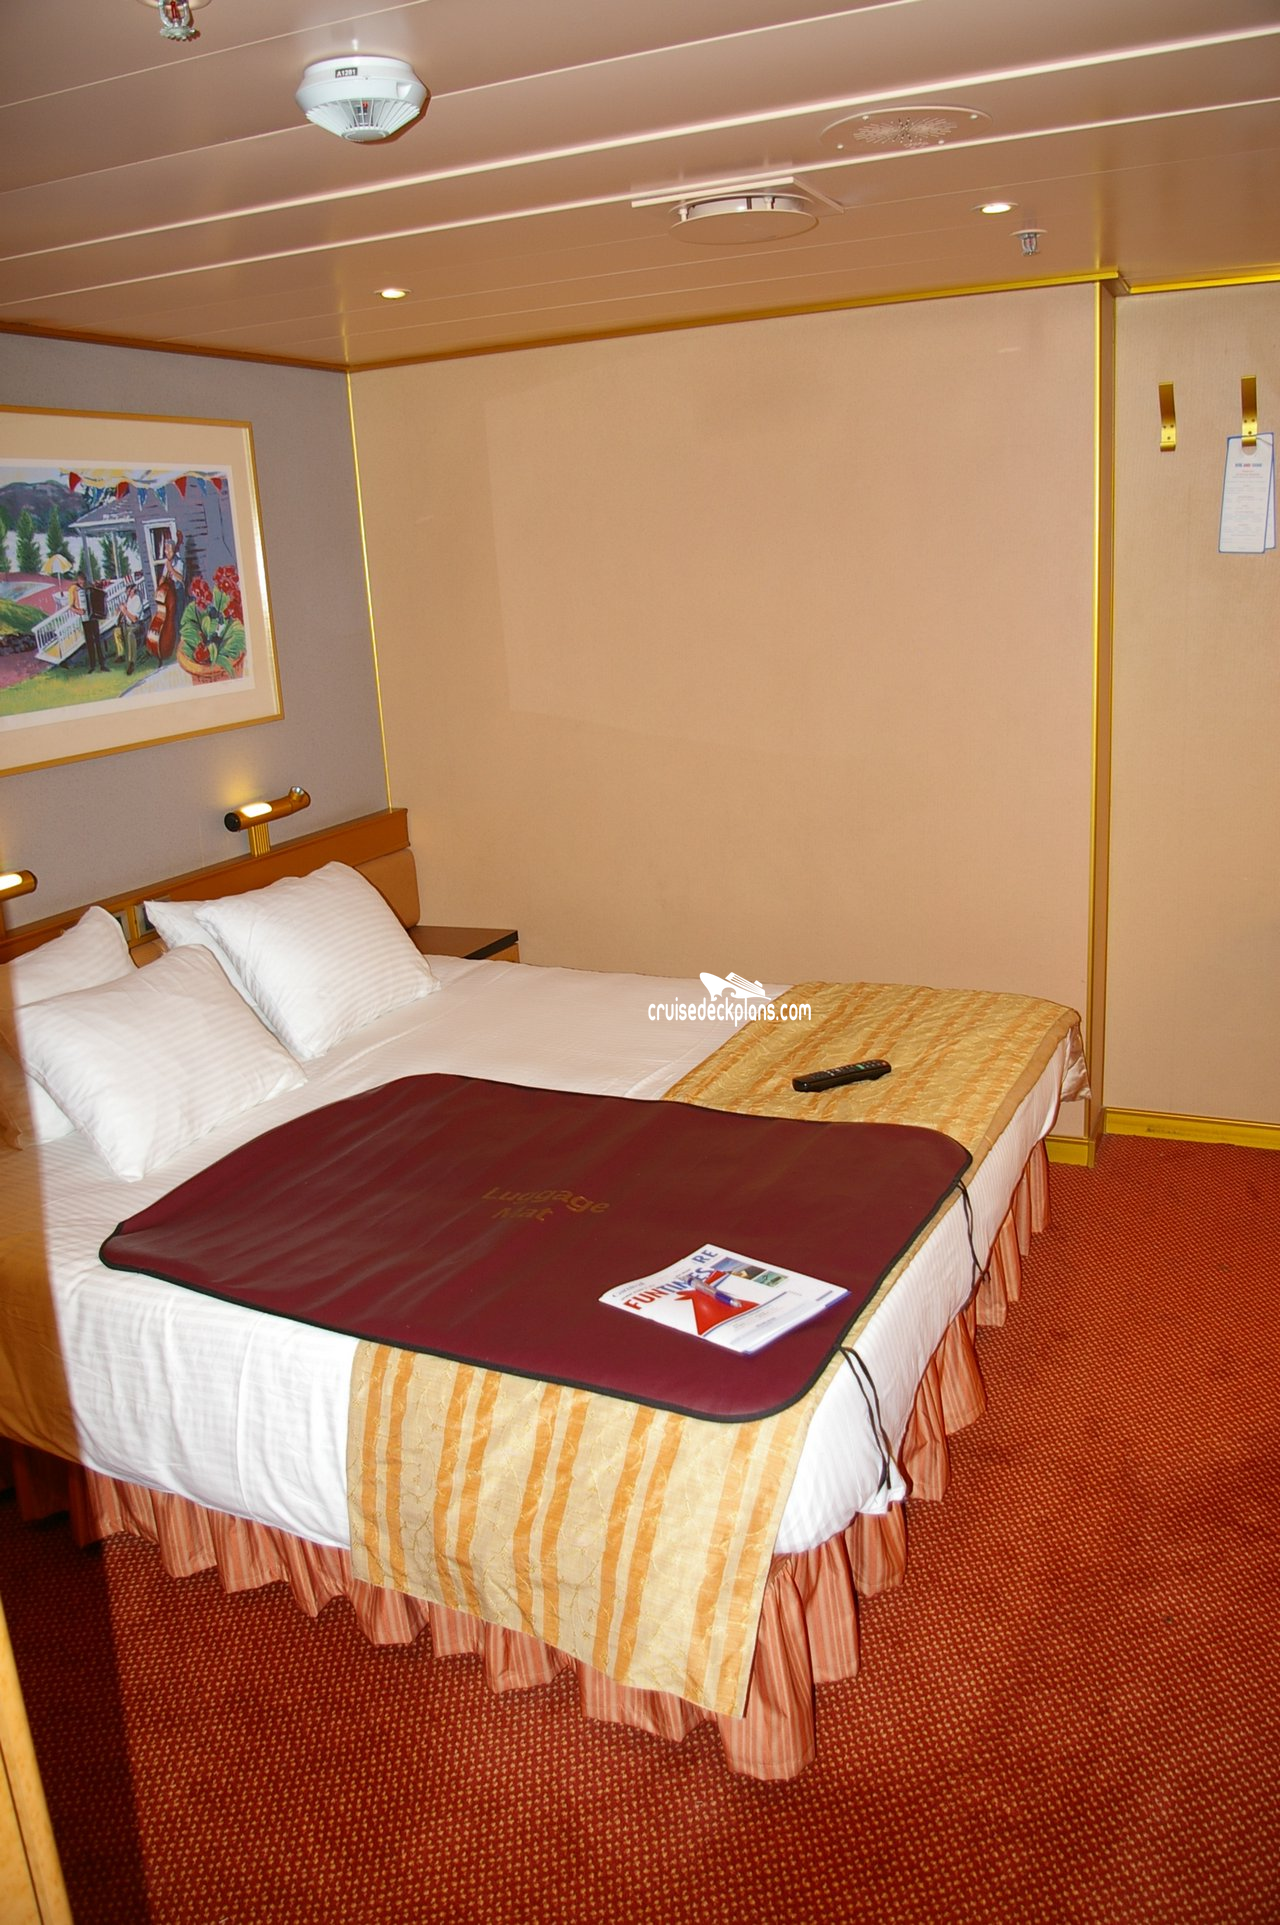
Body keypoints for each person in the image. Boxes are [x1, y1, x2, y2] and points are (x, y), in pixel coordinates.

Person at [68, 576, 104, 673]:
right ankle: (92, 665)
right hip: (84, 618)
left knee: (98, 640)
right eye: (80, 581)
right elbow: (71, 607)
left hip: (94, 617)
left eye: (83, 581)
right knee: (89, 642)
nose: (82, 583)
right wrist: (79, 611)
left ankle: (102, 664)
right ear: (77, 580)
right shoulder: (74, 589)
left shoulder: (90, 587)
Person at [116, 574, 144, 676]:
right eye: (127, 589)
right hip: (128, 624)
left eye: (129, 588)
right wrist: (120, 611)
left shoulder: (137, 599)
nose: (127, 591)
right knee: (117, 631)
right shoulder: (129, 599)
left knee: (130, 634)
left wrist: (125, 611)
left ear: (133, 588)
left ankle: (131, 662)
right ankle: (121, 654)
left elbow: (134, 619)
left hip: (137, 625)